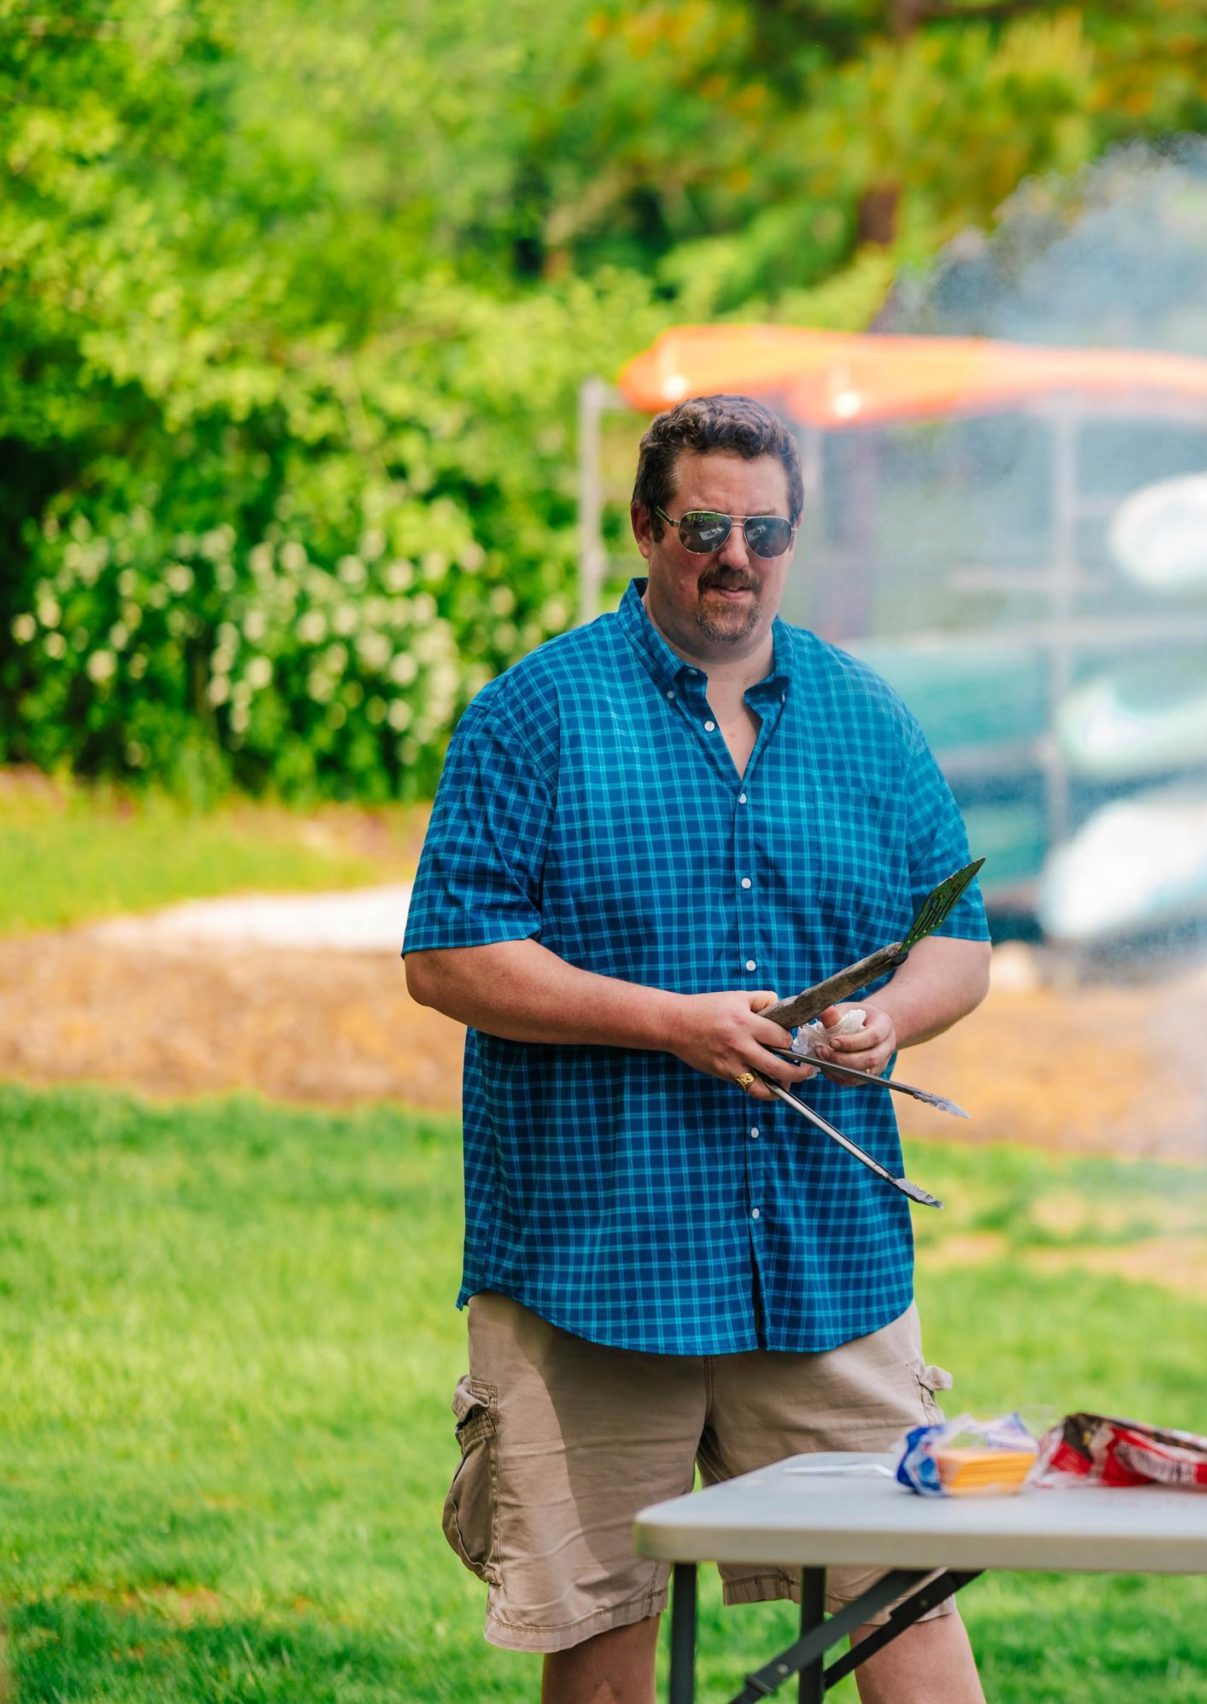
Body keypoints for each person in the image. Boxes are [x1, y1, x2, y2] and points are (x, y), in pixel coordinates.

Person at [403, 393, 991, 1704]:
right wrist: (672, 1022)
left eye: (764, 532)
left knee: (908, 1611)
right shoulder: (535, 712)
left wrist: (888, 1019)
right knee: (603, 1643)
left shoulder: (866, 714)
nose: (736, 558)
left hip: (827, 1266)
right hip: (600, 1269)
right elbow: (449, 957)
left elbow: (960, 941)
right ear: (644, 525)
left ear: (794, 538)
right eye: (704, 528)